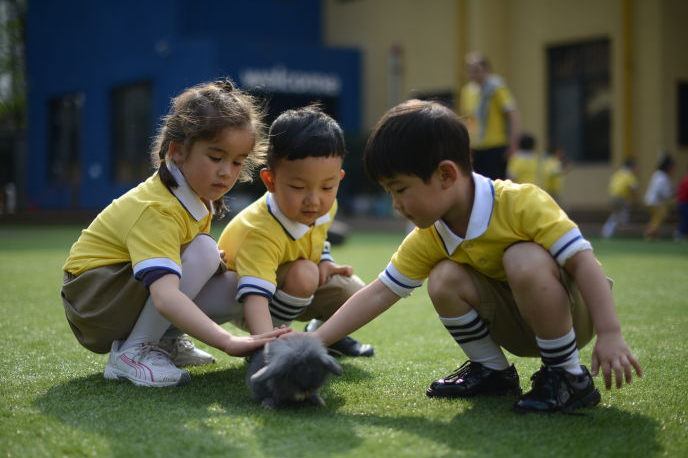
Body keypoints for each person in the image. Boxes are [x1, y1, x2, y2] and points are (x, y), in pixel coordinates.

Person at [298, 99, 642, 414]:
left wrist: (610, 333)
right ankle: (494, 373)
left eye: (400, 190)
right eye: (390, 193)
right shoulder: (431, 235)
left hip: (573, 316)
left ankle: (568, 376)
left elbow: (583, 261)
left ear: (446, 174)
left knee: (523, 257)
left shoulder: (522, 202)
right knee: (445, 276)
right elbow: (379, 291)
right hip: (518, 324)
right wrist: (314, 341)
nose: (396, 205)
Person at [61, 79, 289, 387]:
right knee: (204, 253)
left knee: (240, 284)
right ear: (178, 152)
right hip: (94, 301)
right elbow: (166, 296)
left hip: (117, 294)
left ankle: (164, 340)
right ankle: (132, 354)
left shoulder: (197, 196)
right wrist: (227, 341)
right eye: (216, 156)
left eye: (237, 161)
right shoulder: (159, 208)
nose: (227, 172)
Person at [217, 105, 374, 358]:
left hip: (288, 289)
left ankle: (325, 336)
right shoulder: (259, 229)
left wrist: (324, 261)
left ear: (339, 178)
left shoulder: (326, 207)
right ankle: (278, 340)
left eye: (327, 186)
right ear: (270, 181)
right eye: (299, 187)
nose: (314, 200)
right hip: (243, 301)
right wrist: (263, 348)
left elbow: (317, 238)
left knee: (352, 291)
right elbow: (254, 295)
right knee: (305, 273)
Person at [459, 52, 520, 180]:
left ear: (486, 70)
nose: (473, 73)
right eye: (470, 69)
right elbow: (468, 119)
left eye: (476, 69)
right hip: (477, 147)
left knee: (496, 184)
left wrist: (513, 144)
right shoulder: (467, 91)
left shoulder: (496, 88)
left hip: (496, 145)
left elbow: (512, 114)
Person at [601, 158, 639, 239]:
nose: (636, 169)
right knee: (623, 215)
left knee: (615, 215)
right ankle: (623, 229)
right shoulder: (629, 174)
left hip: (613, 196)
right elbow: (634, 188)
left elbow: (612, 186)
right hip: (620, 197)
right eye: (635, 167)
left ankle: (607, 231)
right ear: (631, 166)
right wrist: (636, 200)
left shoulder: (618, 173)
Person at [643, 154, 675, 239]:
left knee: (656, 218)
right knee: (660, 216)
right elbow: (665, 193)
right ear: (668, 167)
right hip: (655, 201)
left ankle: (652, 233)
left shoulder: (657, 174)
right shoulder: (663, 177)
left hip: (649, 200)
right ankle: (649, 232)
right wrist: (673, 193)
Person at [674, 165, 688, 241]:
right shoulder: (686, 180)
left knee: (685, 219)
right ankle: (679, 234)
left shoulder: (683, 179)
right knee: (685, 219)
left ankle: (681, 234)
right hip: (684, 203)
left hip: (681, 203)